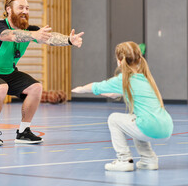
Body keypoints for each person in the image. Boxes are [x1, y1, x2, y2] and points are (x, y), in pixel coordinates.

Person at [0, 0, 84, 146]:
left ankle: (24, 132)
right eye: (21, 8)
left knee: (36, 88)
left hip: (8, 73)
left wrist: (69, 40)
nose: (25, 11)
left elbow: (49, 38)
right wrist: (33, 34)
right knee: (1, 87)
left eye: (27, 8)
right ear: (9, 10)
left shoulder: (30, 30)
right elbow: (10, 36)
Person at [72, 41, 173, 171]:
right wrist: (107, 94)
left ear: (119, 61)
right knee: (135, 120)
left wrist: (79, 89)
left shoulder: (124, 78)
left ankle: (124, 159)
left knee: (114, 119)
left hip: (150, 127)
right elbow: (114, 94)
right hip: (166, 127)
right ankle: (149, 159)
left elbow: (96, 86)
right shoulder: (145, 77)